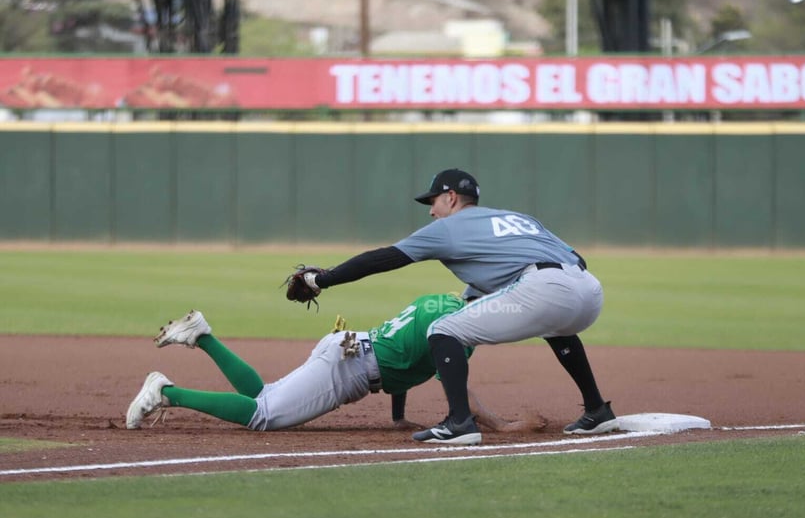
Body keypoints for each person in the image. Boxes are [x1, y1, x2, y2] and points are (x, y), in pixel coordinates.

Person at [290, 168, 618, 445]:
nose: (431, 211)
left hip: (543, 288)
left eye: (433, 201)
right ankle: (596, 410)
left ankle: (459, 422)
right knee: (554, 326)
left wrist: (323, 280)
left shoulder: (449, 227)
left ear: (450, 197)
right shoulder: (516, 218)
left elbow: (385, 258)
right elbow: (575, 260)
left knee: (443, 329)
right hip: (588, 290)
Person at [126, 294, 545, 439]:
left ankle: (201, 335)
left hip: (348, 346)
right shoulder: (457, 328)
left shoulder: (438, 302)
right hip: (349, 367)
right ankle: (166, 392)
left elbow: (406, 355)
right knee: (263, 416)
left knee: (260, 394)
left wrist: (398, 416)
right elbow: (461, 398)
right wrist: (502, 426)